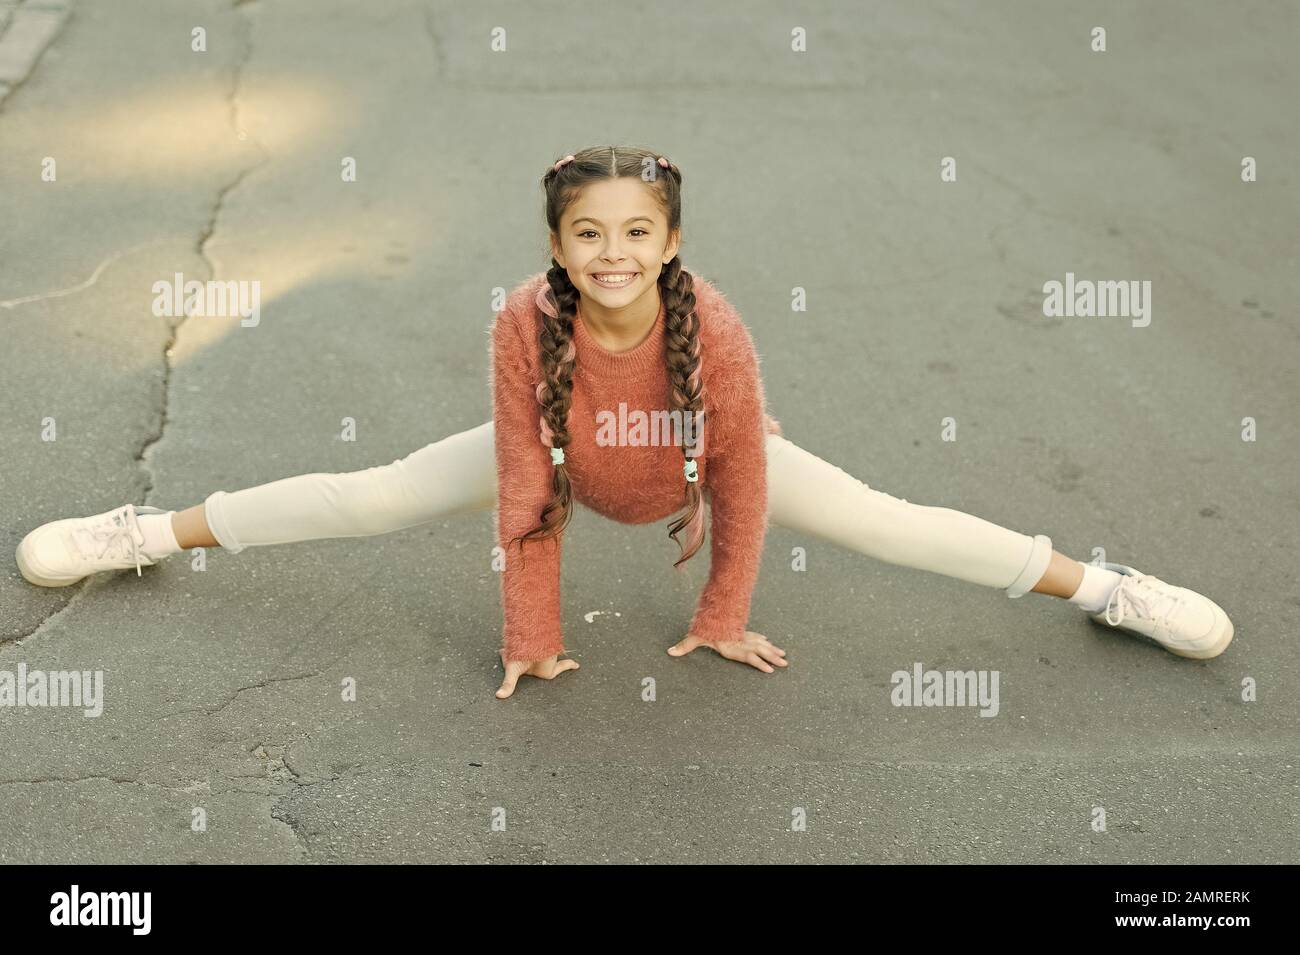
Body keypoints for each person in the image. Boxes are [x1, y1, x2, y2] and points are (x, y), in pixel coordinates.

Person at [16, 145, 1233, 701]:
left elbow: (747, 481)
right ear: (556, 246)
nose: (613, 252)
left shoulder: (719, 326)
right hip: (557, 457)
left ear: (672, 242)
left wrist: (720, 612)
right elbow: (527, 490)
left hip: (697, 467)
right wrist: (533, 632)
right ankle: (147, 532)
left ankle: (1103, 586)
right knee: (372, 492)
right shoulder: (520, 323)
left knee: (888, 521)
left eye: (636, 232)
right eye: (587, 233)